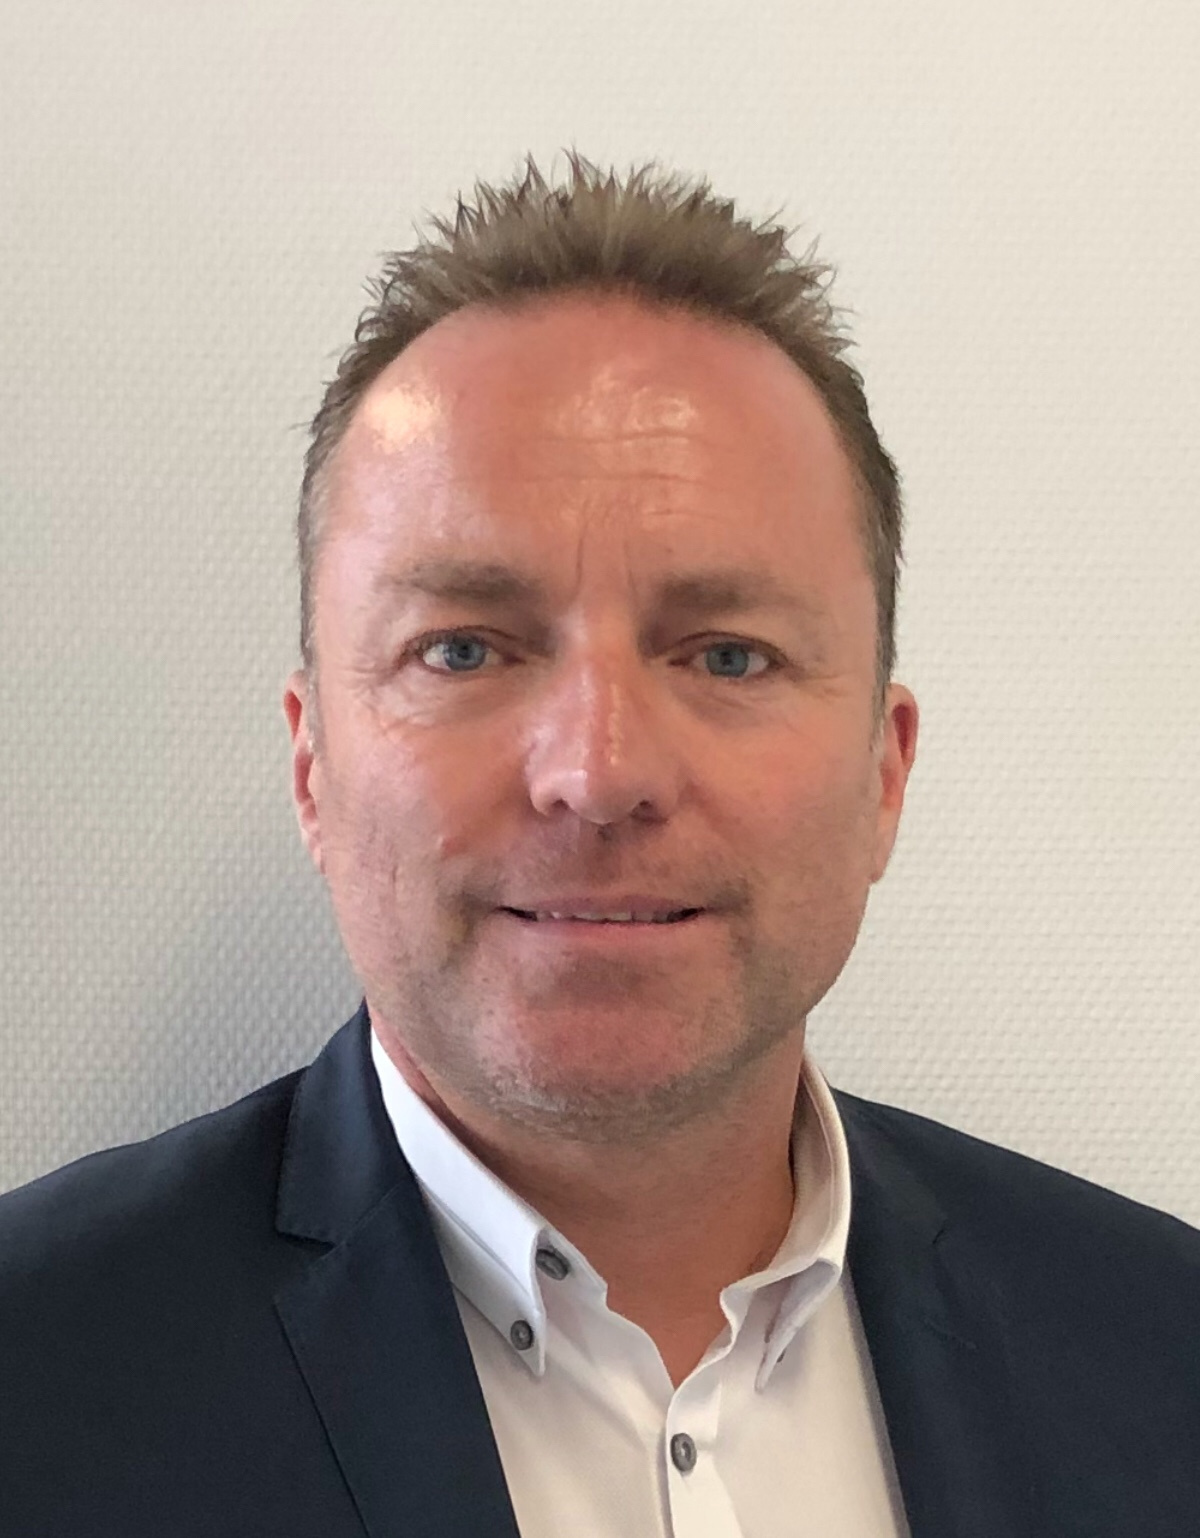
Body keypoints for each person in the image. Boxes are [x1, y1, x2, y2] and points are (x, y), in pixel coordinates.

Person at [0, 155, 1196, 1538]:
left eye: (728, 654)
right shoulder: (37, 1382)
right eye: (464, 648)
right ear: (313, 765)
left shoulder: (1163, 1351)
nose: (599, 771)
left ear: (885, 771)